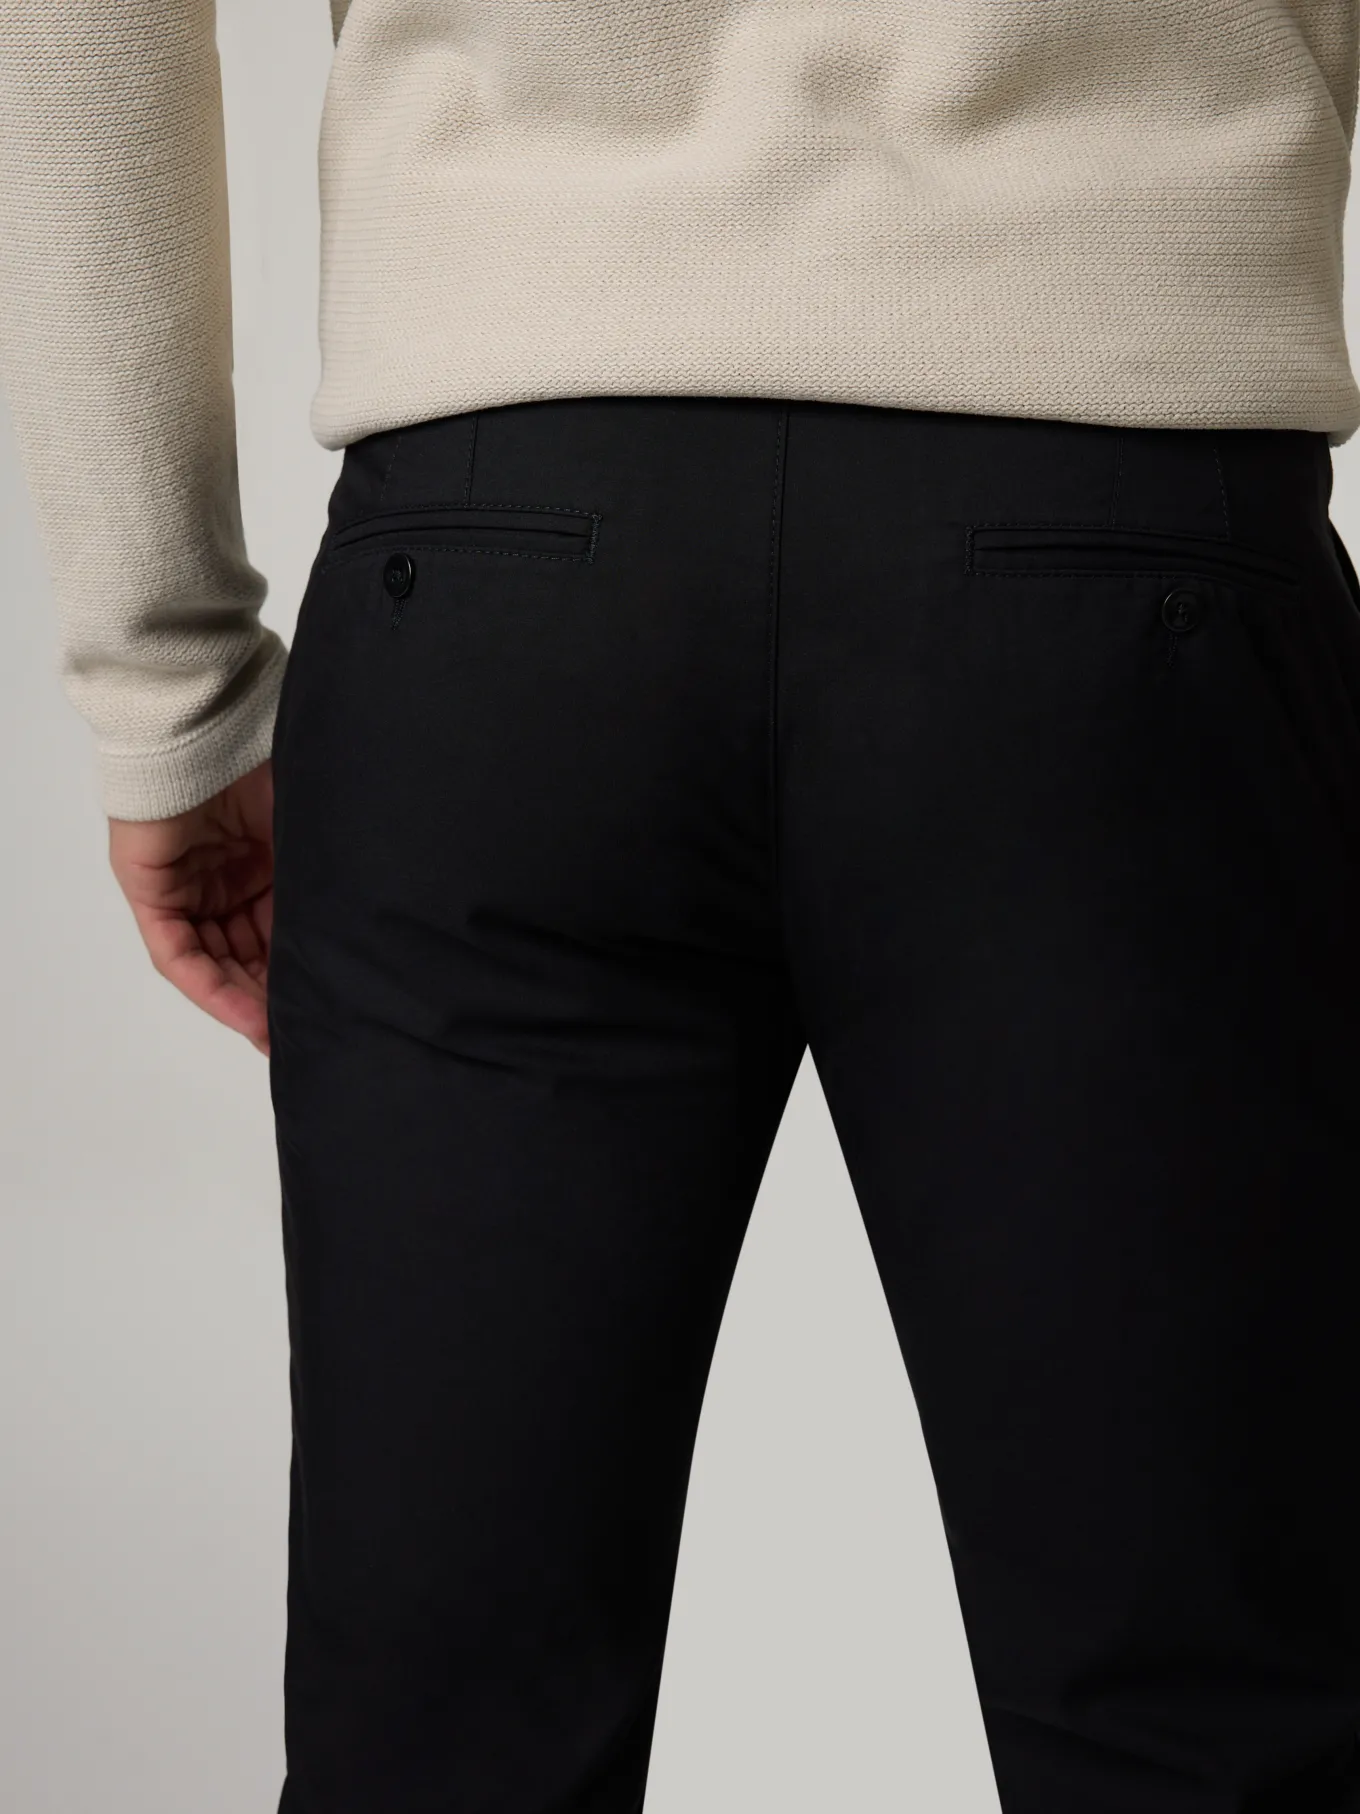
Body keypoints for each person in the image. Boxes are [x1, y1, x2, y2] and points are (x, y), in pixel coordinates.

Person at [5, 3, 1360, 1809]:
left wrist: (163, 670)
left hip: (502, 573)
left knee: (443, 1752)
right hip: (1124, 553)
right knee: (1205, 1738)